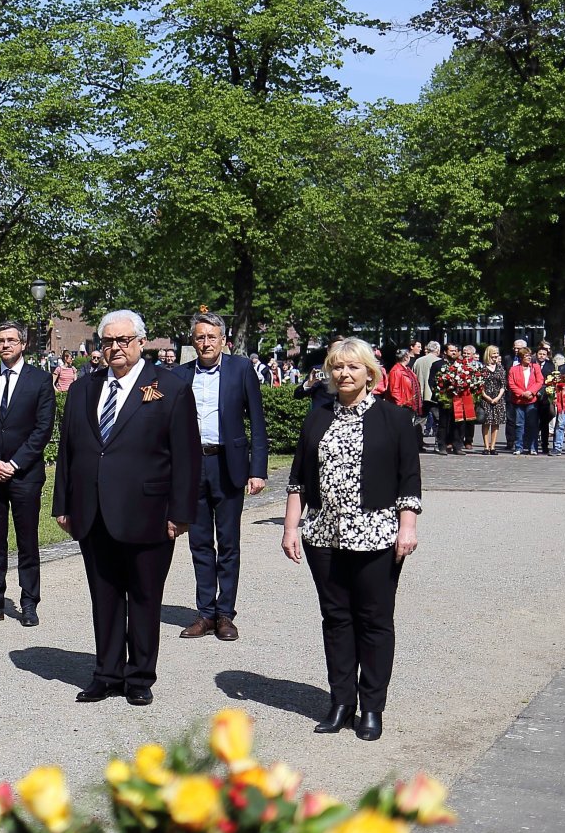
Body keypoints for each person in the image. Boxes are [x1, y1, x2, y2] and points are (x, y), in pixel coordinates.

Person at [51, 310, 200, 707]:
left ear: (141, 343)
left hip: (149, 512)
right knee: (105, 597)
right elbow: (68, 451)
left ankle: (139, 677)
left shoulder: (169, 387)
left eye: (123, 340)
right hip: (93, 511)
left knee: (145, 598)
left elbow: (186, 456)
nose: (115, 348)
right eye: (107, 341)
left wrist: (181, 513)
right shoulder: (83, 389)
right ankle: (107, 673)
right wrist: (63, 503)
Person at [281, 337, 421, 742]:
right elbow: (298, 478)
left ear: (369, 373)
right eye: (337, 367)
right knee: (336, 619)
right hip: (324, 534)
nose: (344, 373)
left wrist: (407, 526)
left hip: (376, 534)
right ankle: (342, 702)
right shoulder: (317, 418)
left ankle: (372, 706)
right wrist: (291, 527)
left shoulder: (394, 418)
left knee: (374, 620)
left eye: (352, 366)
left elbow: (409, 478)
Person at [176, 313, 269, 642]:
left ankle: (225, 613)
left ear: (223, 340)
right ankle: (205, 613)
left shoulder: (240, 370)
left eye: (211, 337)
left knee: (228, 542)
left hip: (228, 464)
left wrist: (258, 470)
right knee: (199, 542)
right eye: (200, 337)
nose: (206, 343)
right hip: (192, 466)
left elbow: (257, 421)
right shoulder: (180, 375)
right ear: (193, 341)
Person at [0, 320, 57, 628]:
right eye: (0, 340)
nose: (5, 345)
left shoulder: (40, 380)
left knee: (27, 540)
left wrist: (14, 464)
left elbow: (42, 429)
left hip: (25, 475)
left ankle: (29, 602)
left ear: (23, 344)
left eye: (11, 340)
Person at [411, 341, 442, 449]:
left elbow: (413, 376)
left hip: (420, 394)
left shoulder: (418, 361)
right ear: (437, 350)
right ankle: (438, 444)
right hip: (434, 395)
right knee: (438, 421)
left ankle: (417, 443)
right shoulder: (439, 361)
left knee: (419, 420)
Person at [477, 345, 507, 454]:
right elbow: (479, 385)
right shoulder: (482, 368)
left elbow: (503, 385)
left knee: (496, 423)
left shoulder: (500, 368)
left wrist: (498, 397)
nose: (496, 356)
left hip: (498, 398)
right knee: (486, 422)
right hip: (486, 398)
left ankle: (493, 446)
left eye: (497, 353)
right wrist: (487, 397)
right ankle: (486, 446)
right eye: (494, 353)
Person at [385, 345, 420, 419]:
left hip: (409, 404)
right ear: (406, 357)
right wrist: (401, 405)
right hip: (402, 406)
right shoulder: (396, 371)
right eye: (409, 356)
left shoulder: (407, 370)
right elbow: (394, 390)